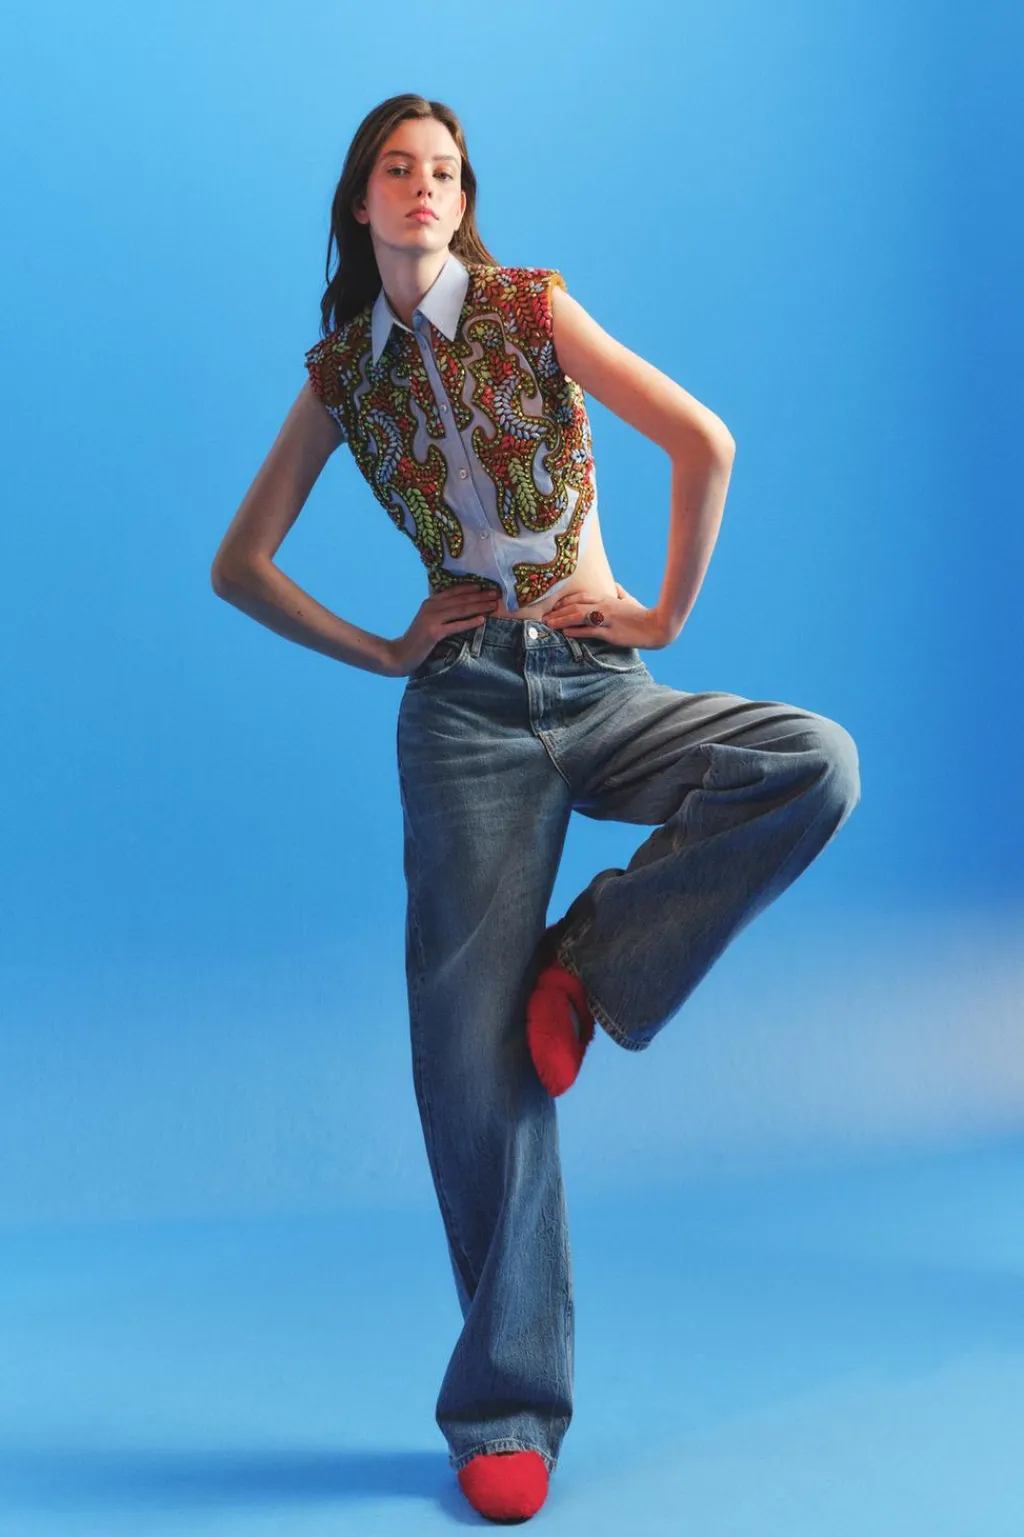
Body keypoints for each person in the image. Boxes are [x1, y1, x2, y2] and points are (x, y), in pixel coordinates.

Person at [210, 92, 862, 1524]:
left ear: (464, 197)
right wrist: (387, 648)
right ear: (361, 202)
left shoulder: (527, 305)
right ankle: (504, 1408)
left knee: (808, 762)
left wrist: (663, 615)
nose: (424, 188)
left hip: (594, 679)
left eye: (445, 171)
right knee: (466, 1048)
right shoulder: (343, 375)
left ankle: (594, 966)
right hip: (460, 716)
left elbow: (704, 442)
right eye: (399, 170)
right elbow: (239, 562)